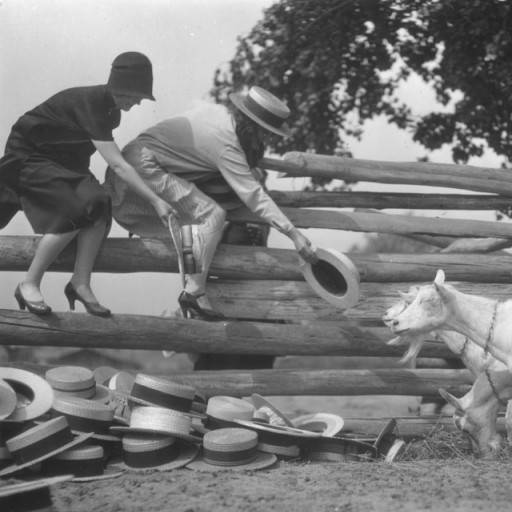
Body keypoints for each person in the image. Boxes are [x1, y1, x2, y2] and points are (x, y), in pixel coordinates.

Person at [104, 85, 318, 320]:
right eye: (265, 132)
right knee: (212, 214)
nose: (266, 138)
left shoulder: (219, 115)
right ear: (252, 127)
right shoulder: (226, 143)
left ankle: (192, 287)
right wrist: (294, 234)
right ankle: (193, 292)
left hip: (140, 160)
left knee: (195, 224)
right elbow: (254, 196)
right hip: (142, 168)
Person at [0, 52, 175, 317]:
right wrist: (156, 200)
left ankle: (80, 283)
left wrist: (90, 190)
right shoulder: (91, 103)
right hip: (27, 158)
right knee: (75, 208)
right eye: (135, 95)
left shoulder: (111, 113)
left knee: (101, 202)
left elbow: (78, 154)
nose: (138, 102)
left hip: (60, 163)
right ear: (120, 87)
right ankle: (29, 283)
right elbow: (118, 165)